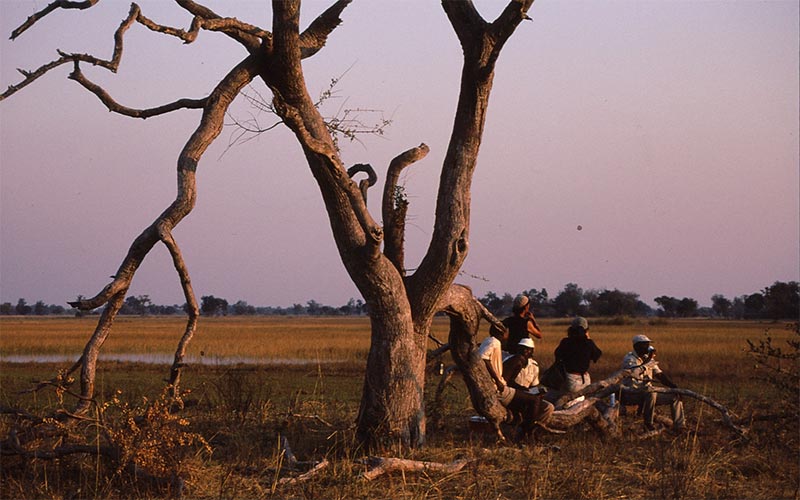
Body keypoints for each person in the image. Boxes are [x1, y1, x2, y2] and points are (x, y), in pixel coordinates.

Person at [479, 327, 552, 440]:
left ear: (532, 351)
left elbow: (533, 386)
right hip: (503, 389)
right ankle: (526, 432)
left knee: (547, 407)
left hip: (512, 391)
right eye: (523, 349)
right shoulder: (514, 359)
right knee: (534, 401)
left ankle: (531, 430)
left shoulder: (533, 365)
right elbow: (506, 380)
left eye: (528, 350)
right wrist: (498, 380)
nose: (525, 351)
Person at [620, 334, 685, 432]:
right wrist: (648, 361)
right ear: (636, 346)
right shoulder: (629, 359)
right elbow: (634, 373)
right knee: (651, 393)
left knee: (675, 396)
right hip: (632, 393)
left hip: (648, 392)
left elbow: (660, 375)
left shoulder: (648, 358)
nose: (647, 347)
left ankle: (680, 426)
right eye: (644, 345)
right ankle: (648, 424)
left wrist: (674, 387)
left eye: (648, 344)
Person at [553, 316, 602, 393]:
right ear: (586, 330)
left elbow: (557, 356)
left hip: (570, 380)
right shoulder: (588, 343)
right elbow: (597, 355)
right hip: (585, 381)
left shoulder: (565, 342)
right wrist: (588, 339)